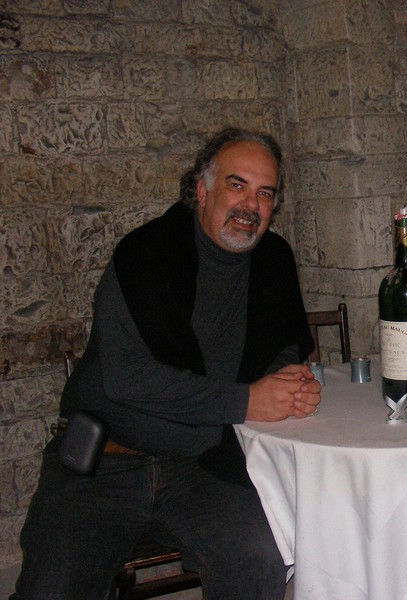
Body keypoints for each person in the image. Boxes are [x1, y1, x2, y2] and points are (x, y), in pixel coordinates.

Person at [12, 128, 321, 600]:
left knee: (260, 559)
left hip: (202, 465)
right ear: (201, 190)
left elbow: (283, 342)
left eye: (264, 193)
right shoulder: (146, 255)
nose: (249, 206)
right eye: (236, 185)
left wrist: (286, 381)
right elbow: (128, 377)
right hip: (104, 463)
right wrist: (247, 400)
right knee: (51, 590)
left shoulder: (274, 259)